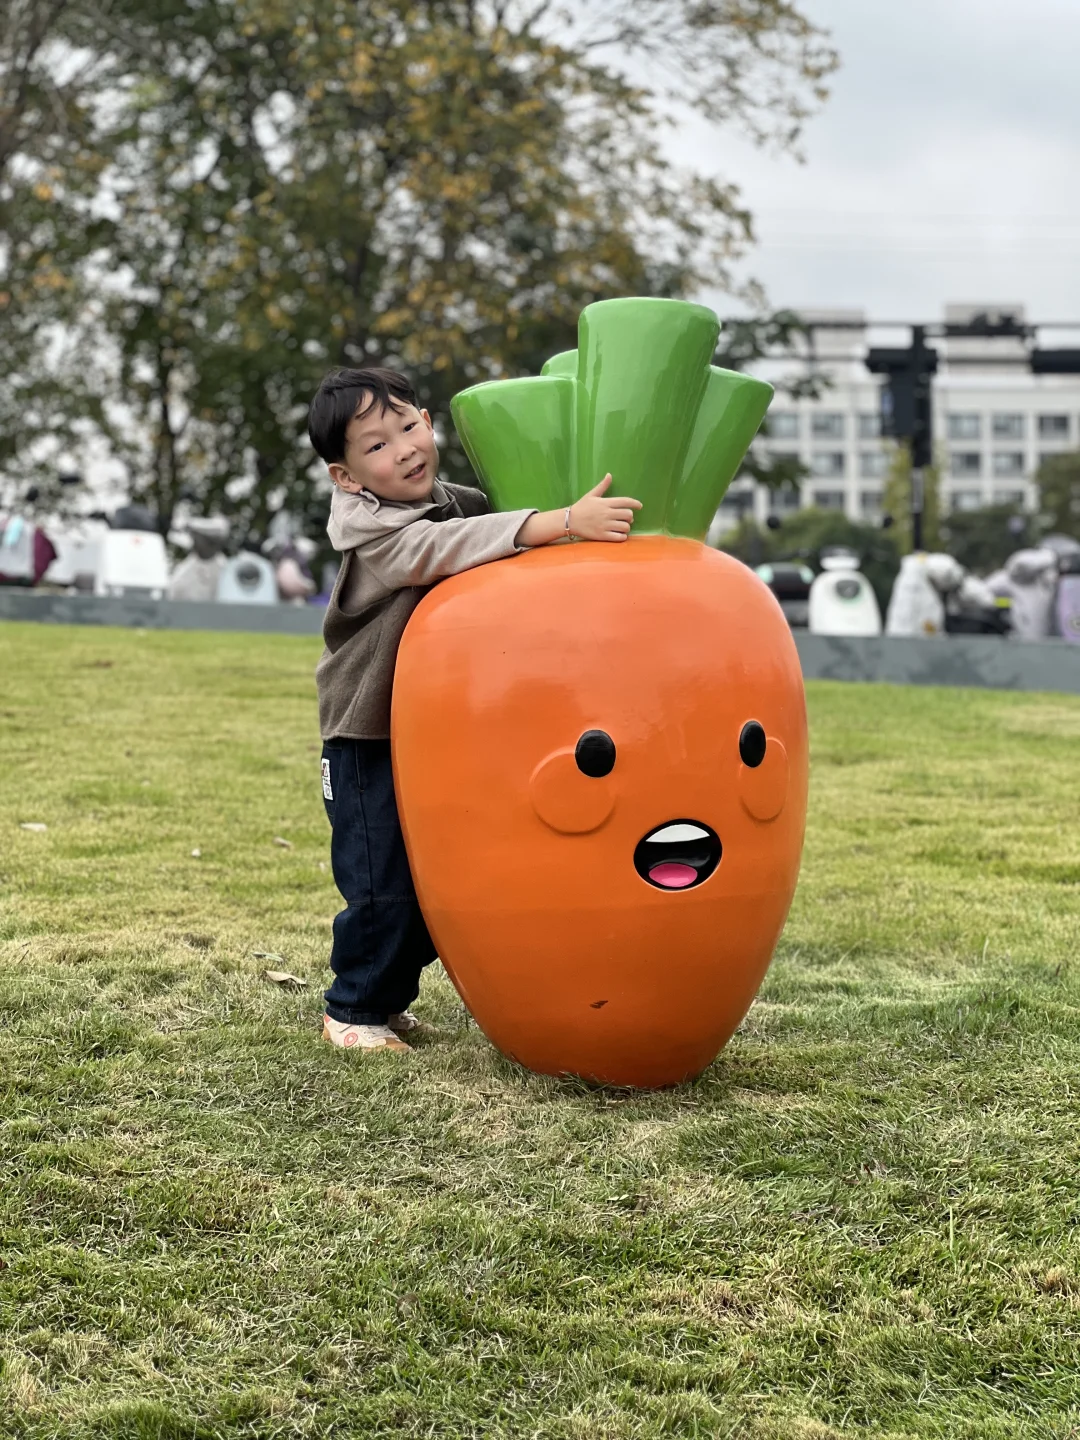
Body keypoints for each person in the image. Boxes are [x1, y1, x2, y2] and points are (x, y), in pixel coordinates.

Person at [308, 366, 641, 1053]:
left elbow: (485, 529)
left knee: (434, 877)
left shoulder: (454, 501)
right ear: (347, 477)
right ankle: (352, 1009)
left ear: (428, 421)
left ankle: (387, 999)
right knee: (381, 883)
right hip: (363, 734)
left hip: (426, 730)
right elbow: (444, 549)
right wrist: (560, 521)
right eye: (376, 446)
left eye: (408, 426)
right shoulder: (373, 534)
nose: (402, 448)